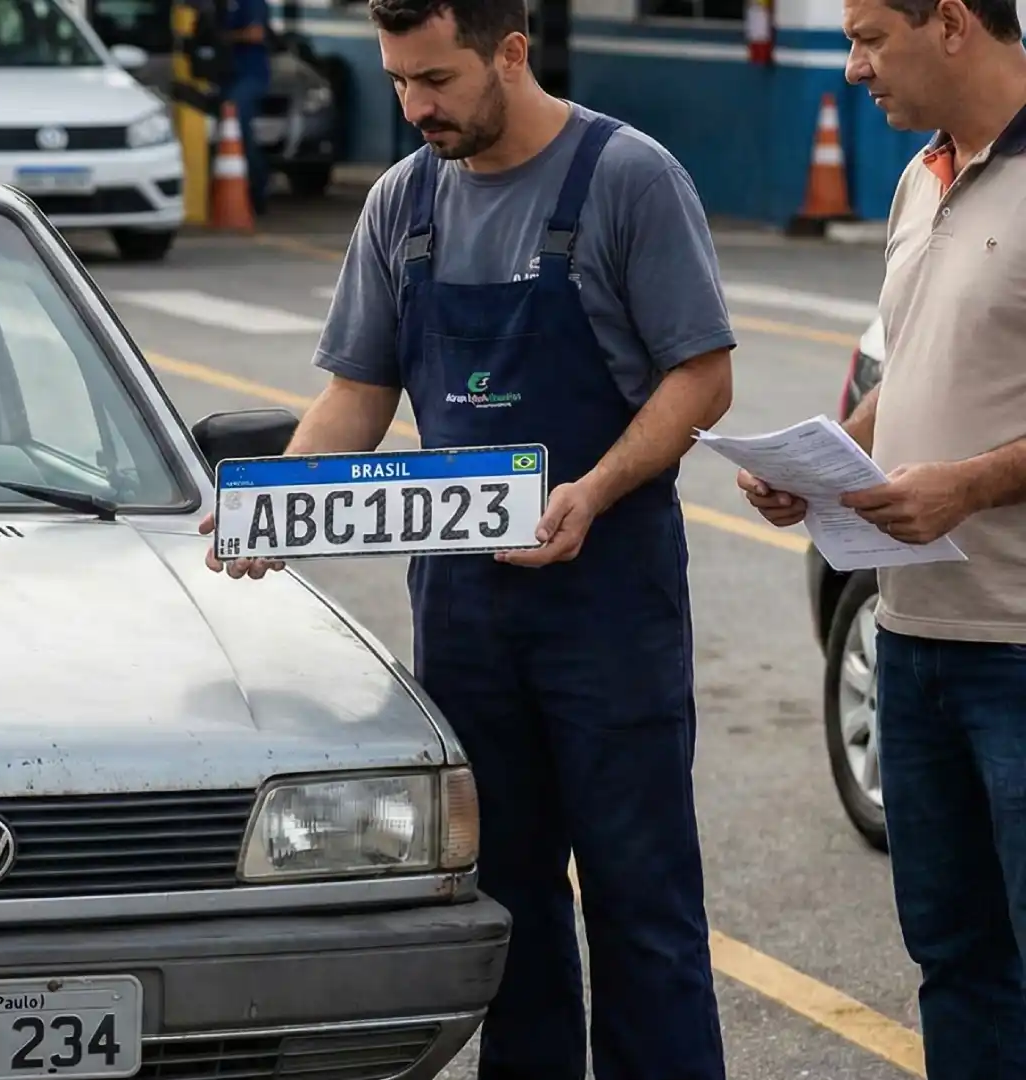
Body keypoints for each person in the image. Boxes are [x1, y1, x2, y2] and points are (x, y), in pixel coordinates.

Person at [199, 0, 738, 1075]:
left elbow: (703, 379)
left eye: (437, 80)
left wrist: (592, 489)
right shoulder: (405, 202)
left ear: (511, 51)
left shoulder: (628, 180)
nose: (415, 108)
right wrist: (272, 504)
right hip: (468, 619)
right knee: (508, 908)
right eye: (399, 81)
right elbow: (357, 393)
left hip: (608, 604)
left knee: (643, 907)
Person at [743, 0, 1026, 1073]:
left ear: (950, 22)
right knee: (954, 956)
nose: (854, 68)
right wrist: (821, 462)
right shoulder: (922, 177)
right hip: (910, 643)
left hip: (1019, 646)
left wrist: (972, 487)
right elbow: (904, 374)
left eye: (867, 37)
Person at [221, 0, 270, 213]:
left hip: (250, 76)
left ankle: (257, 192)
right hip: (226, 75)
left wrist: (223, 37)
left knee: (239, 131)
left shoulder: (252, 2)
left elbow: (255, 33)